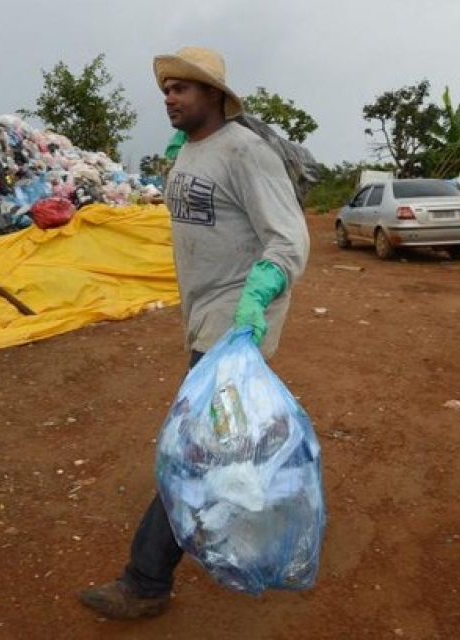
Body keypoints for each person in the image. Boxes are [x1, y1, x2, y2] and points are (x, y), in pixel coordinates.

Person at [78, 46, 310, 620]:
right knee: (224, 445)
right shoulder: (188, 153)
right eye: (167, 89)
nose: (170, 98)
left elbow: (289, 238)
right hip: (203, 313)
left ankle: (147, 580)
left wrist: (256, 296)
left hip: (236, 320)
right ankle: (250, 515)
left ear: (213, 95)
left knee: (193, 449)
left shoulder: (246, 152)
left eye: (183, 88)